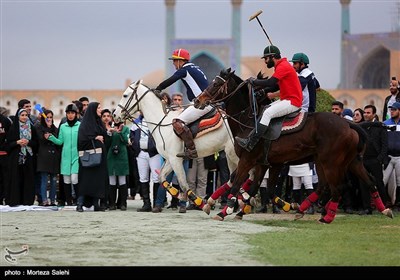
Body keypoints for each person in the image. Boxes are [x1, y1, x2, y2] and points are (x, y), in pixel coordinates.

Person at [235, 45, 303, 160]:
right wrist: (263, 91)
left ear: (272, 57)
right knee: (265, 109)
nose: (265, 61)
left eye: (266, 58)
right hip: (286, 99)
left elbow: (271, 82)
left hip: (292, 101)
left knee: (267, 113)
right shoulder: (280, 66)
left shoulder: (283, 66)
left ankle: (251, 142)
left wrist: (254, 81)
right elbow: (276, 85)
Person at [154, 48, 209, 159]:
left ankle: (191, 150)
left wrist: (158, 88)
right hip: (204, 102)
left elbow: (171, 80)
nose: (173, 63)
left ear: (181, 60)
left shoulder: (184, 70)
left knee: (177, 122)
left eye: (175, 60)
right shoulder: (195, 67)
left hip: (201, 105)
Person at [46, 104, 81, 206]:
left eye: (72, 113)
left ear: (76, 114)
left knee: (75, 178)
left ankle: (78, 201)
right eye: (68, 113)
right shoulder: (63, 126)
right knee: (66, 179)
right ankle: (69, 202)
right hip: (65, 157)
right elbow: (60, 142)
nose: (70, 115)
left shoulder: (80, 125)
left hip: (76, 156)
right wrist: (51, 137)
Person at [77, 102, 108, 212]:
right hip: (88, 159)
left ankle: (96, 204)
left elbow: (104, 136)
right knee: (85, 181)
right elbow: (82, 141)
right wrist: (95, 138)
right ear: (93, 110)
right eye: (98, 108)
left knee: (97, 181)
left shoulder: (99, 122)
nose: (101, 110)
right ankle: (80, 204)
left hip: (99, 158)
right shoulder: (85, 125)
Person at [5, 108, 38, 206]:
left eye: (26, 115)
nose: (24, 117)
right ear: (18, 116)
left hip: (29, 157)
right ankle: (15, 200)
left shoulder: (32, 128)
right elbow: (7, 145)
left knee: (28, 179)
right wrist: (17, 142)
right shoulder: (13, 128)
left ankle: (27, 201)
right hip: (16, 158)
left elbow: (36, 144)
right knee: (16, 178)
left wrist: (29, 142)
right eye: (22, 115)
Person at [0, 107, 12, 204]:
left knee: (5, 178)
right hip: (4, 154)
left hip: (4, 154)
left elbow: (9, 136)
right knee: (5, 179)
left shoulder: (6, 121)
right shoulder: (6, 120)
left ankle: (6, 199)